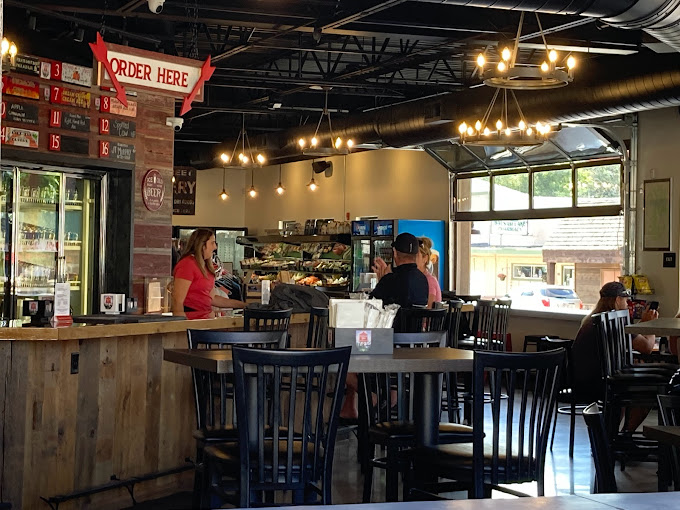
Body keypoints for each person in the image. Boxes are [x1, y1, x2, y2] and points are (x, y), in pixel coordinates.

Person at [571, 281, 658, 432]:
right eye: (625, 299)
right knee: (650, 389)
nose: (627, 303)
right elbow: (647, 347)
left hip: (580, 379)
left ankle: (613, 435)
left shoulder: (593, 319)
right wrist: (649, 325)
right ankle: (625, 435)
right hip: (597, 383)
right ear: (618, 300)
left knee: (629, 380)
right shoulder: (615, 320)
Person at [172, 228, 246, 319]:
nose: (215, 247)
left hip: (206, 320)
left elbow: (213, 298)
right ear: (202, 245)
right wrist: (181, 326)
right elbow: (177, 302)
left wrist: (243, 305)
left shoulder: (206, 266)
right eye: (212, 243)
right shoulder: (187, 264)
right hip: (192, 321)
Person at [370, 232, 428, 308]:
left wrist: (383, 280)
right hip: (416, 320)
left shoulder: (390, 280)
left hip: (395, 320)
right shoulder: (423, 280)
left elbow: (371, 304)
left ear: (395, 253)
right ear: (417, 255)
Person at [416, 236, 441, 308]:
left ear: (425, 258)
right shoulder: (418, 278)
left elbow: (428, 310)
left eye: (416, 256)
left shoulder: (429, 281)